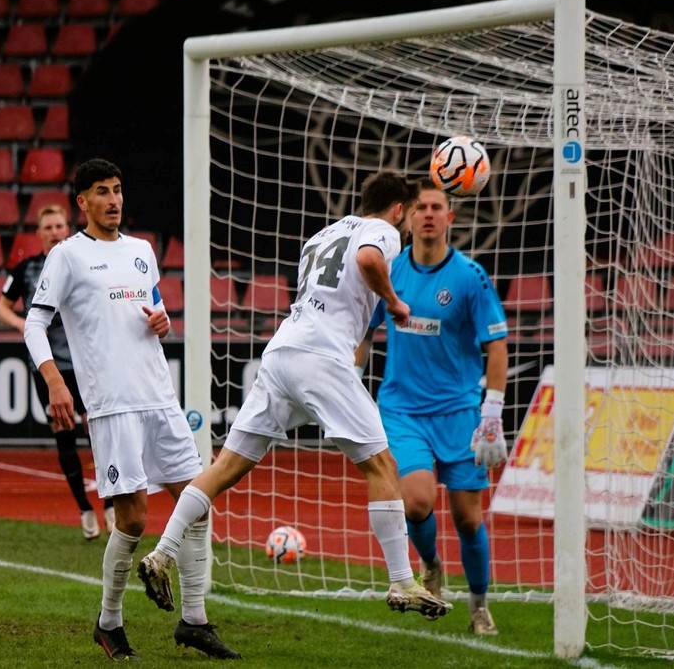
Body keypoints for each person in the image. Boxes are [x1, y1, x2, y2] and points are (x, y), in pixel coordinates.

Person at [138, 171, 453, 623]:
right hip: (322, 358)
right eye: (409, 215)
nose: (406, 228)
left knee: (224, 468)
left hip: (281, 352)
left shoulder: (322, 235)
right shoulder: (382, 231)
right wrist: (394, 301)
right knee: (382, 466)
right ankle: (402, 580)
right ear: (399, 210)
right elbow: (367, 259)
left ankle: (162, 553)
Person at [23, 158, 240, 661]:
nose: (114, 199)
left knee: (196, 502)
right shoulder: (67, 256)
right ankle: (109, 623)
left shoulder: (142, 250)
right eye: (102, 191)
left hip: (159, 397)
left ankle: (194, 621)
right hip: (113, 404)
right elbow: (34, 325)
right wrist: (55, 382)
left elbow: (154, 307)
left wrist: (162, 321)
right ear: (83, 202)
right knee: (134, 519)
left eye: (118, 189)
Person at [357, 178, 509, 636]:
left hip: (459, 412)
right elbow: (363, 335)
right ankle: (431, 565)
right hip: (402, 409)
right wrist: (347, 378)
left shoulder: (469, 276)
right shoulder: (390, 271)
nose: (427, 214)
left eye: (436, 207)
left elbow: (496, 345)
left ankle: (479, 605)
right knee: (417, 502)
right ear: (408, 214)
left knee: (468, 518)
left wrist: (492, 413)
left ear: (450, 217)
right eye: (420, 206)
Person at [0, 203, 115, 541]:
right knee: (63, 433)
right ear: (39, 233)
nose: (53, 232)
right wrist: (24, 324)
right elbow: (1, 308)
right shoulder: (26, 268)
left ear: (67, 228)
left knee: (98, 431)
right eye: (47, 227)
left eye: (58, 226)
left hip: (86, 361)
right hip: (48, 365)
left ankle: (110, 504)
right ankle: (84, 509)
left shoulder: (84, 260)